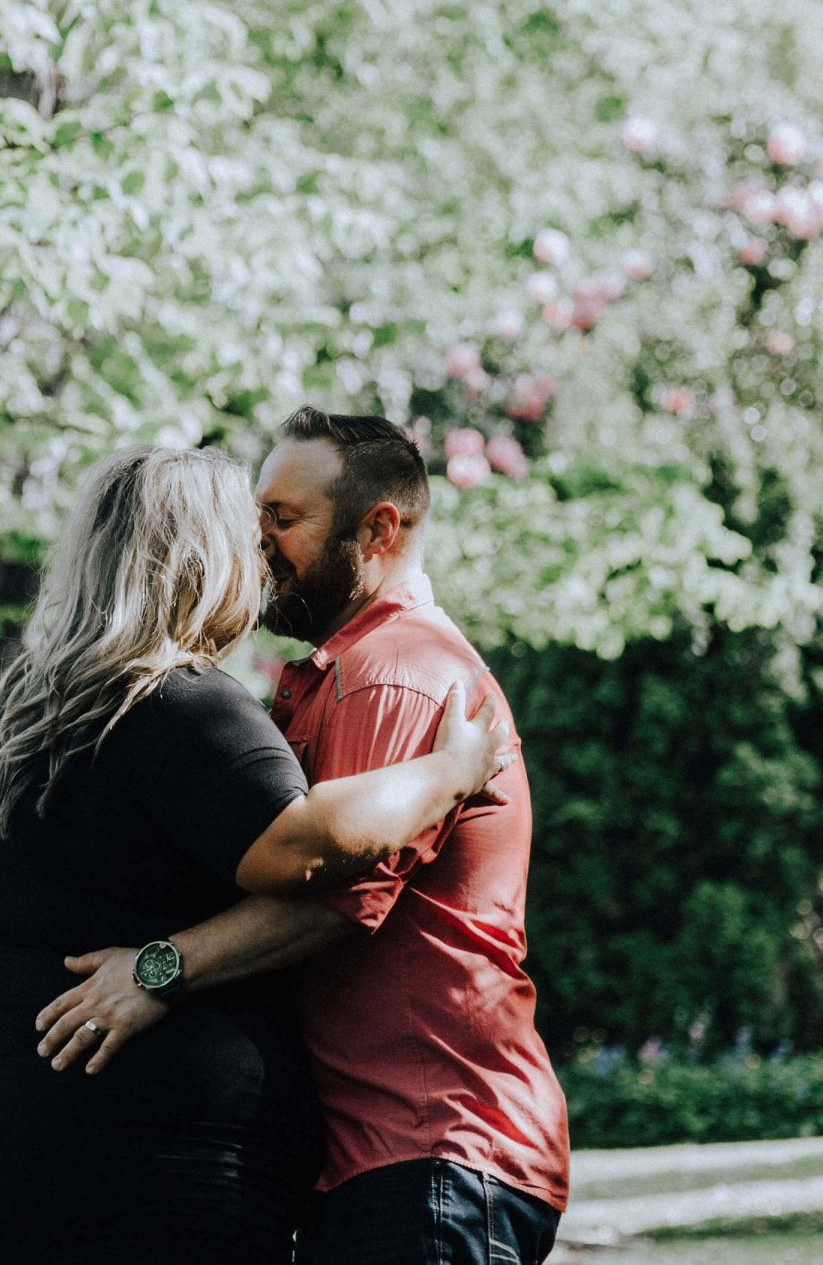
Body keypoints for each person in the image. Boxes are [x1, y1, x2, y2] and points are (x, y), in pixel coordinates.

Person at [0, 443, 512, 1265]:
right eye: (253, 532)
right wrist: (449, 771)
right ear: (206, 556)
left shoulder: (37, 705)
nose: (267, 552)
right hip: (131, 1141)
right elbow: (304, 850)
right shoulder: (181, 703)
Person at [37, 411, 570, 1265]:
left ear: (378, 529)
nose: (255, 544)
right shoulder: (334, 676)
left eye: (283, 519)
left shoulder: (395, 675)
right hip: (378, 1157)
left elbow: (332, 900)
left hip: (433, 1143)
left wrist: (154, 973)